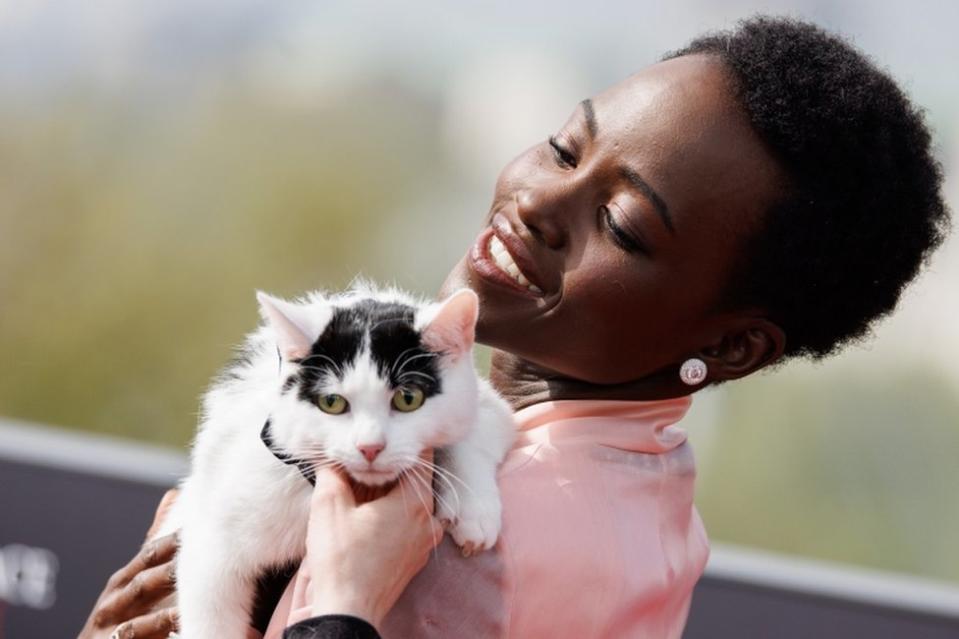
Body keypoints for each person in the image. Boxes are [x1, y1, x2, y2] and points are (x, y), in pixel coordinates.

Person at [79, 16, 949, 639]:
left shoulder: (455, 536)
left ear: (727, 346)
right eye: (566, 148)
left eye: (622, 225)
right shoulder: (641, 485)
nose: (536, 201)